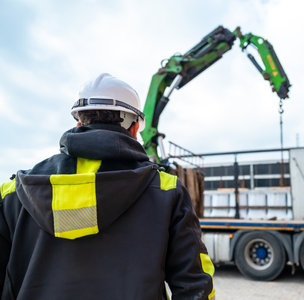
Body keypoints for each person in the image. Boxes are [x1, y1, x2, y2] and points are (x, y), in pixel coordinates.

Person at [0, 73, 214, 299]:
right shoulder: (167, 190)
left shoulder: (14, 194)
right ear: (134, 129)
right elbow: (195, 286)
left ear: (79, 123)